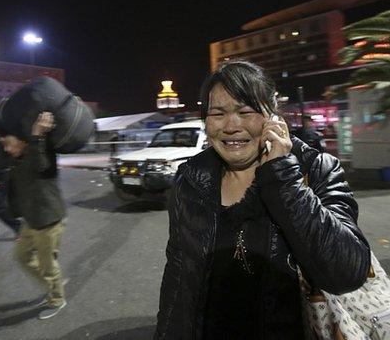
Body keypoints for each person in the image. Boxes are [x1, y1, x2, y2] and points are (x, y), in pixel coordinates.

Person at [154, 60, 371, 339]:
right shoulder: (191, 179)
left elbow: (347, 272)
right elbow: (178, 273)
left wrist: (283, 178)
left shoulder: (315, 169)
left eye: (246, 111)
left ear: (274, 117)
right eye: (217, 113)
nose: (231, 126)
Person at [1, 111, 68, 320]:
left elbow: (41, 166)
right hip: (31, 220)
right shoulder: (16, 160)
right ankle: (52, 285)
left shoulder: (41, 152)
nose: (7, 149)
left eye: (9, 144)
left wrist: (38, 136)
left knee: (49, 265)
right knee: (21, 256)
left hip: (48, 220)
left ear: (22, 142)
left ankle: (57, 299)